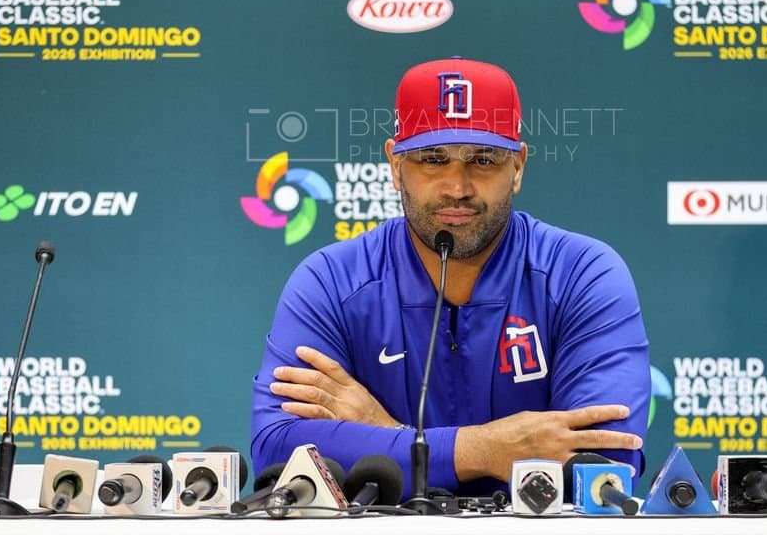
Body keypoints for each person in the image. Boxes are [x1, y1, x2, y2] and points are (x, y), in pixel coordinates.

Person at [250, 57, 650, 498]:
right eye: (432, 159)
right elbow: (277, 450)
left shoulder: (581, 274)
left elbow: (606, 464)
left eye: (482, 159)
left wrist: (388, 436)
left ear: (517, 166)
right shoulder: (331, 281)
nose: (457, 186)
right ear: (395, 165)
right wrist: (480, 450)